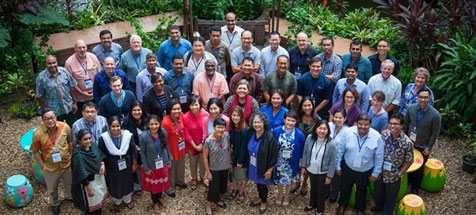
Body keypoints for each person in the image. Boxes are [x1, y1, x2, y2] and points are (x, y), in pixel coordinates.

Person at [335, 114, 384, 215]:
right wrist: (338, 166)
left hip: (365, 170)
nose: (362, 127)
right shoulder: (348, 132)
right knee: (345, 187)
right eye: (360, 124)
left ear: (370, 125)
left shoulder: (377, 137)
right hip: (348, 167)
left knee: (362, 190)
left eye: (366, 124)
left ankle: (360, 209)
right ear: (356, 123)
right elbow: (340, 149)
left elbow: (379, 157)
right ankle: (342, 205)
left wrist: (376, 173)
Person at [31, 108, 74, 215]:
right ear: (42, 120)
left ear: (55, 117)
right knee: (52, 188)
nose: (50, 121)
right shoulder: (38, 133)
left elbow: (70, 141)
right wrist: (42, 166)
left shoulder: (65, 127)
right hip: (50, 167)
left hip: (66, 164)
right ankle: (55, 203)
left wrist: (71, 155)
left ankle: (69, 196)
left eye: (52, 118)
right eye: (47, 119)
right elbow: (35, 151)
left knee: (69, 183)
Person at [371, 113, 413, 215]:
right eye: (391, 123)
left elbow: (409, 160)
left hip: (393, 174)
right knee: (378, 193)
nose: (392, 126)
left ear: (402, 125)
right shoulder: (384, 135)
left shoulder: (407, 142)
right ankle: (379, 207)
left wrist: (400, 173)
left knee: (390, 197)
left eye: (396, 124)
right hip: (380, 172)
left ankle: (387, 212)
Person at [404, 88, 441, 195]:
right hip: (410, 142)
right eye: (420, 97)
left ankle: (415, 187)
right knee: (407, 162)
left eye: (425, 97)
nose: (423, 100)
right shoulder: (411, 108)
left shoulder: (435, 115)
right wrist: (403, 140)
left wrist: (429, 147)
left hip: (422, 146)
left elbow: (435, 133)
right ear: (417, 98)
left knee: (419, 168)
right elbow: (406, 125)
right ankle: (408, 180)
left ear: (430, 99)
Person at [98, 116, 138, 211]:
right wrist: (104, 166)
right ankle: (117, 202)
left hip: (126, 164)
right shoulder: (104, 138)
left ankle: (128, 200)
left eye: (118, 126)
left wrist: (134, 164)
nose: (116, 129)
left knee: (127, 181)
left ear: (121, 126)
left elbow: (133, 151)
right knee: (114, 183)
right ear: (109, 127)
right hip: (112, 166)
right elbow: (100, 153)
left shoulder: (128, 135)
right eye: (113, 126)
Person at [301, 120, 337, 215]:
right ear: (316, 129)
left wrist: (329, 176)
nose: (322, 131)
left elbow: (333, 162)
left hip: (323, 172)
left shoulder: (331, 143)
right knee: (313, 188)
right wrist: (304, 166)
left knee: (321, 192)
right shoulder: (310, 138)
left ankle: (320, 210)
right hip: (311, 169)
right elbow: (305, 152)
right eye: (320, 128)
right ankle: (312, 204)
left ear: (328, 130)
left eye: (324, 129)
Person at [139, 114, 172, 214]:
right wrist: (146, 167)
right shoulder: (143, 136)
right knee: (154, 186)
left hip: (162, 163)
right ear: (148, 125)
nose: (154, 126)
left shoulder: (163, 132)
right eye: (151, 124)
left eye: (156, 124)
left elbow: (166, 147)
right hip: (151, 165)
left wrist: (169, 159)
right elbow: (143, 153)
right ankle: (155, 202)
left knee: (161, 182)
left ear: (159, 124)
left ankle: (160, 197)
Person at [248, 112, 279, 214]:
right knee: (258, 183)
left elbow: (274, 155)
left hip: (264, 166)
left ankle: (264, 202)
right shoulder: (251, 133)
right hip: (254, 165)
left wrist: (269, 170)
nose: (257, 124)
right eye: (255, 122)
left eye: (259, 122)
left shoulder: (269, 137)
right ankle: (260, 198)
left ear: (264, 123)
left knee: (262, 185)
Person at [71, 129, 107, 215]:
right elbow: (80, 174)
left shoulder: (93, 146)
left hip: (99, 178)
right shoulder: (78, 155)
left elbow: (100, 156)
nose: (88, 141)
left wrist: (102, 164)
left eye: (90, 138)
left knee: (99, 200)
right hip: (89, 183)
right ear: (79, 140)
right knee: (91, 206)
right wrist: (89, 189)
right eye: (85, 139)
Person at [272, 111, 305, 206]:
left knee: (288, 179)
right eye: (288, 120)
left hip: (292, 161)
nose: (290, 123)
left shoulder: (299, 134)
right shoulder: (276, 131)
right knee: (279, 178)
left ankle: (286, 194)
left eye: (293, 121)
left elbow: (302, 149)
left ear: (296, 122)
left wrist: (301, 162)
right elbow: (273, 146)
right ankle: (279, 193)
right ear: (284, 120)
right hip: (279, 160)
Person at [36, 55, 78, 126]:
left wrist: (75, 102)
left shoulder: (64, 71)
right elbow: (40, 96)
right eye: (49, 63)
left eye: (54, 62)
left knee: (72, 127)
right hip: (54, 111)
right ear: (45, 64)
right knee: (58, 131)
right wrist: (45, 111)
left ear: (57, 62)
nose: (52, 65)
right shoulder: (41, 78)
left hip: (68, 107)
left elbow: (72, 86)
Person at [65, 39, 101, 119]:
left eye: (84, 47)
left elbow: (100, 75)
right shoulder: (69, 62)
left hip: (94, 95)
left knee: (97, 117)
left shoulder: (93, 57)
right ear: (75, 49)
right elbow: (70, 83)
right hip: (80, 98)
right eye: (79, 48)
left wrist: (96, 89)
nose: (82, 50)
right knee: (83, 119)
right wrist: (82, 92)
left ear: (86, 47)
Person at [203, 118, 232, 215]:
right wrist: (208, 172)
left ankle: (217, 200)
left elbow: (228, 149)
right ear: (214, 127)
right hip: (214, 168)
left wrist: (230, 163)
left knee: (222, 187)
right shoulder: (208, 141)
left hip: (224, 166)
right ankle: (208, 205)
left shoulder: (226, 136)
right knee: (213, 188)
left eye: (222, 127)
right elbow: (205, 158)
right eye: (218, 127)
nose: (220, 130)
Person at [161, 99, 188, 197]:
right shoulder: (165, 122)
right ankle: (169, 188)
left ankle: (180, 181)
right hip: (171, 150)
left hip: (181, 147)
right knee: (171, 170)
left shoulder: (181, 116)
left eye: (178, 109)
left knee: (181, 165)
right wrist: (167, 154)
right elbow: (163, 140)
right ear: (169, 110)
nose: (177, 111)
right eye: (174, 109)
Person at [184, 95, 210, 190]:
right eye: (192, 105)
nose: (194, 107)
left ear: (200, 105)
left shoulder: (206, 115)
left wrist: (201, 144)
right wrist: (194, 145)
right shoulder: (186, 117)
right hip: (192, 145)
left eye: (196, 104)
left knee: (203, 162)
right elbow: (186, 132)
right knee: (192, 162)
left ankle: (203, 177)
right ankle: (194, 178)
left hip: (203, 144)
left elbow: (206, 131)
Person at [122, 101, 148, 195]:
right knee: (136, 167)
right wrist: (136, 147)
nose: (137, 112)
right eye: (134, 110)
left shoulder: (148, 119)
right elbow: (126, 138)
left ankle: (148, 183)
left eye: (139, 110)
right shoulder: (126, 122)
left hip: (147, 148)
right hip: (134, 149)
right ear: (131, 111)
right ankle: (138, 186)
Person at [328, 108, 349, 203]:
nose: (337, 119)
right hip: (326, 156)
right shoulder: (329, 126)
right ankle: (325, 192)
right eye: (336, 117)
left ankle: (333, 194)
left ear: (345, 118)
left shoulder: (348, 131)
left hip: (339, 158)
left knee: (336, 178)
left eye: (340, 117)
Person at [228, 106, 249, 204]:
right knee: (233, 173)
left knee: (242, 175)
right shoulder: (232, 127)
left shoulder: (244, 130)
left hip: (242, 157)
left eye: (238, 115)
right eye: (233, 115)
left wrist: (240, 161)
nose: (235, 117)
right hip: (233, 155)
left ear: (241, 116)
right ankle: (235, 188)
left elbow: (243, 148)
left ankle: (241, 192)